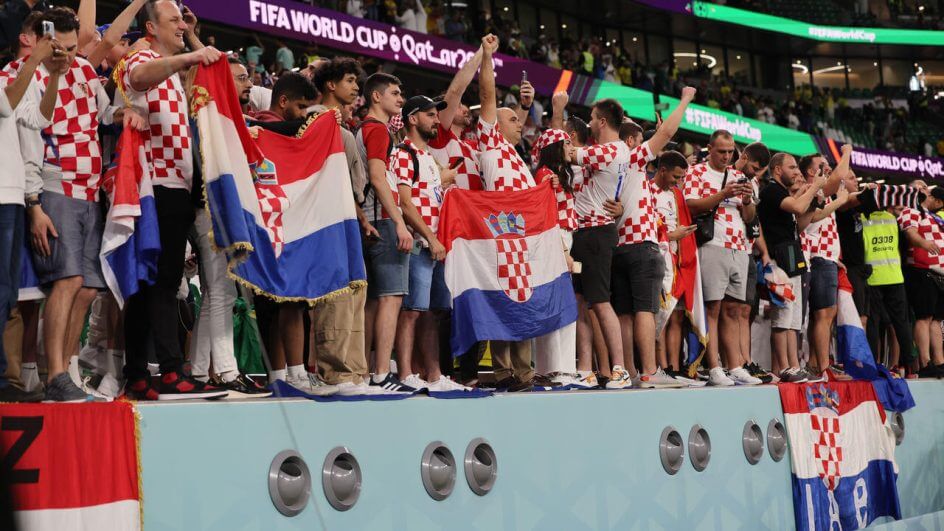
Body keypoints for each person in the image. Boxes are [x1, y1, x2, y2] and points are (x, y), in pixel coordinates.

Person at [12, 8, 142, 401]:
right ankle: (53, 374)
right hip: (56, 186)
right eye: (62, 48)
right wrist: (34, 201)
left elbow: (102, 113)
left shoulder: (85, 71)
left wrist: (121, 113)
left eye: (72, 49)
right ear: (44, 41)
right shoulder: (32, 77)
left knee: (87, 289)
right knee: (65, 282)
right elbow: (29, 140)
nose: (68, 55)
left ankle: (66, 368)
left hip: (90, 191)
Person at [117, 0, 227, 400]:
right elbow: (142, 75)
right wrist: (191, 52)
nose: (181, 24)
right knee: (160, 281)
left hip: (178, 186)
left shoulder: (173, 62)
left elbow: (202, 75)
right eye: (174, 20)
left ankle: (138, 374)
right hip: (154, 185)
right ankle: (168, 371)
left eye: (183, 19)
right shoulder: (142, 57)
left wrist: (192, 40)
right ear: (150, 27)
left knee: (157, 282)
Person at [310, 57, 391, 396]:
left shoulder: (342, 127)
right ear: (330, 85)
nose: (356, 87)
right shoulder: (316, 119)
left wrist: (360, 217)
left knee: (355, 295)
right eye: (348, 81)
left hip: (348, 218)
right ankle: (335, 373)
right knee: (335, 298)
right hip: (327, 221)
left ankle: (355, 373)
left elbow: (350, 184)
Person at [611, 88, 694, 389]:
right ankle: (649, 371)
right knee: (645, 309)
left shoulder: (610, 167)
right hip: (642, 249)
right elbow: (670, 131)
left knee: (623, 313)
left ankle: (631, 372)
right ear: (632, 142)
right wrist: (684, 99)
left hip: (617, 248)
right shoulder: (632, 159)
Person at [475, 34, 539, 391]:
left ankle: (524, 374)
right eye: (513, 118)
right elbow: (488, 96)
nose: (521, 123)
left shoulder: (514, 155)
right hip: (500, 234)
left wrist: (524, 106)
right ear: (494, 125)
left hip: (521, 236)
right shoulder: (490, 143)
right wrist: (488, 57)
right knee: (503, 303)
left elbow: (513, 123)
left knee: (522, 304)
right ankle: (503, 374)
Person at [392, 95, 468, 392]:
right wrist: (432, 237)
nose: (437, 120)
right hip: (420, 246)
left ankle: (433, 375)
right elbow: (406, 205)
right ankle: (405, 374)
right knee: (411, 311)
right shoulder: (403, 154)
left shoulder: (426, 158)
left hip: (435, 246)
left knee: (432, 314)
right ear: (413, 119)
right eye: (430, 115)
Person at [0, 31, 57, 402]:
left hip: (13, 196)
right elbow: (6, 104)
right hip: (2, 196)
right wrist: (35, 60)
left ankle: (4, 380)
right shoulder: (9, 77)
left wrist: (53, 75)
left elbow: (38, 118)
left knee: (7, 294)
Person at [356, 71, 415, 392]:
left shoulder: (360, 130)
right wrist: (399, 222)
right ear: (376, 97)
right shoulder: (377, 130)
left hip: (366, 221)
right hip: (382, 221)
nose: (400, 98)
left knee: (372, 303)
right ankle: (381, 373)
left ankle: (366, 372)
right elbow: (379, 179)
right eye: (394, 93)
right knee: (391, 298)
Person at [683, 130, 755, 386]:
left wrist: (746, 200)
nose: (727, 156)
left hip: (739, 246)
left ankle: (734, 365)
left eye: (730, 151)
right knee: (712, 307)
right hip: (712, 244)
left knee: (734, 310)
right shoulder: (697, 172)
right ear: (710, 149)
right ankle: (713, 366)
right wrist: (723, 195)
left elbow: (749, 217)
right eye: (722, 151)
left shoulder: (739, 175)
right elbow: (690, 206)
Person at [758, 153, 826, 383]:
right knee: (783, 317)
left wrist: (813, 202)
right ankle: (785, 368)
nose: (796, 171)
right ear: (777, 170)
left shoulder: (783, 193)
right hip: (778, 261)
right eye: (792, 167)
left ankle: (794, 366)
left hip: (792, 258)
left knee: (794, 319)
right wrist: (814, 185)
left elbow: (801, 224)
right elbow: (797, 207)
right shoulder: (771, 191)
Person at [530, 127, 587, 388]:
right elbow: (545, 215)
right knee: (560, 304)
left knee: (560, 303)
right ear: (554, 147)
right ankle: (556, 368)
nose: (570, 146)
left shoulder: (555, 175)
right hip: (556, 239)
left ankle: (555, 367)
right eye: (565, 143)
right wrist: (563, 251)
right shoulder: (545, 175)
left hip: (562, 239)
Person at [797, 146, 852, 381]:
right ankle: (823, 367)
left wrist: (835, 257)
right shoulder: (812, 189)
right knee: (822, 314)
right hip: (817, 258)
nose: (828, 168)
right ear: (811, 172)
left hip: (826, 257)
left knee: (825, 314)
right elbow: (840, 177)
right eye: (822, 165)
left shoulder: (820, 192)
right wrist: (847, 151)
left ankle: (816, 364)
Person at [650, 151, 698, 384]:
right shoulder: (647, 191)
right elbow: (643, 229)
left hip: (676, 262)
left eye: (681, 177)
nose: (678, 182)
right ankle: (657, 367)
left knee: (673, 317)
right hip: (656, 260)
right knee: (659, 315)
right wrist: (671, 235)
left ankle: (673, 367)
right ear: (662, 170)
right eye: (675, 176)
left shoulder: (675, 195)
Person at [732, 141, 773, 383]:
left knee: (745, 311)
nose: (756, 174)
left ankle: (744, 360)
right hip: (725, 248)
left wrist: (764, 252)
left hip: (747, 251)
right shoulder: (728, 176)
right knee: (727, 310)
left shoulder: (753, 184)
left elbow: (754, 223)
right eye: (755, 168)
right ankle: (731, 361)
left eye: (760, 171)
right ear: (744, 156)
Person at [897, 186, 944, 378]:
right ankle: (924, 363)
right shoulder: (912, 211)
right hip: (920, 271)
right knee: (924, 317)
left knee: (937, 319)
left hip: (939, 274)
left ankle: (940, 362)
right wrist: (923, 243)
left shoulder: (936, 217)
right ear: (936, 200)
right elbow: (910, 233)